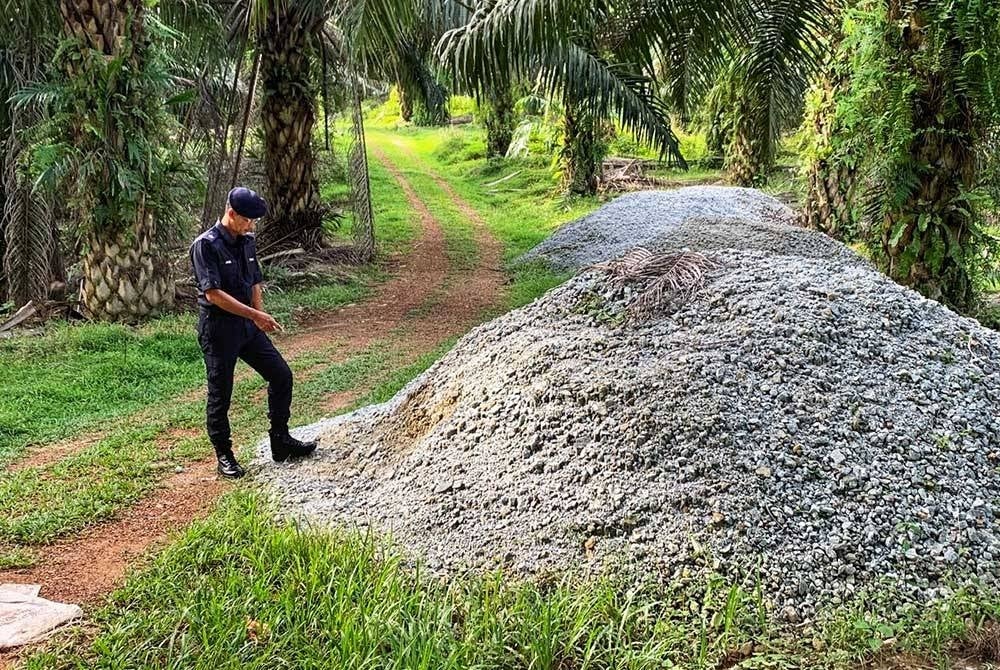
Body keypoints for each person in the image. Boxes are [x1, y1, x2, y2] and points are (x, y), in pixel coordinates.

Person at [190, 186, 317, 478]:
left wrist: (258, 316)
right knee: (221, 392)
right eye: (247, 220)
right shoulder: (206, 245)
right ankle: (224, 455)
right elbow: (213, 294)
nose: (251, 226)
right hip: (219, 328)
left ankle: (280, 440)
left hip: (247, 326)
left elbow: (254, 279)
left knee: (281, 375)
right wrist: (254, 314)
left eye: (254, 222)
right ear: (231, 213)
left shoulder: (246, 241)